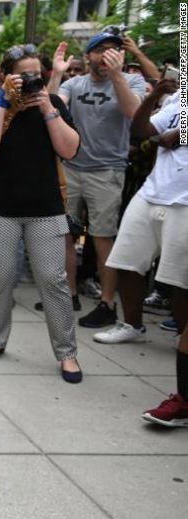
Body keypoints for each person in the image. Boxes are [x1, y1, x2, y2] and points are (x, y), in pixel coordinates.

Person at [0, 44, 83, 383]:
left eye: (38, 72)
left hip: (45, 208)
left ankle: (67, 354)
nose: (32, 79)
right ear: (8, 76)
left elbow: (69, 149)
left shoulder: (55, 105)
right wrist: (4, 100)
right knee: (0, 278)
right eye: (25, 74)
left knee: (53, 280)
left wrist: (48, 108)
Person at [95, 78, 187, 424]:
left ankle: (182, 338)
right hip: (153, 192)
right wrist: (152, 96)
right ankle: (131, 324)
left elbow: (167, 138)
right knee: (127, 261)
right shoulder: (179, 98)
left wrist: (173, 137)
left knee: (178, 280)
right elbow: (141, 130)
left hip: (185, 200)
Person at [51, 33, 147, 330]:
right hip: (72, 169)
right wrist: (55, 74)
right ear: (88, 55)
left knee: (103, 237)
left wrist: (117, 74)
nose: (108, 56)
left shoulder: (132, 81)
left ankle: (107, 303)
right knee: (65, 234)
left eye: (115, 51)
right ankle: (69, 294)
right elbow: (50, 107)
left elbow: (133, 113)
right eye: (102, 51)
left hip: (107, 171)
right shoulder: (74, 83)